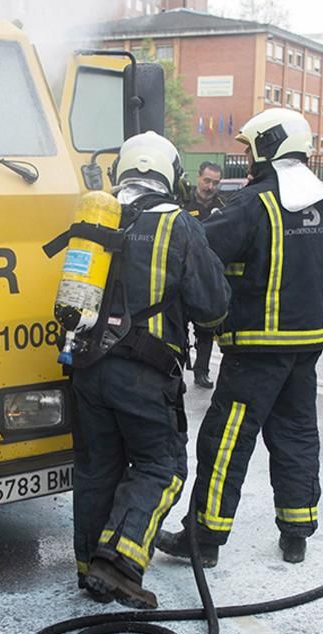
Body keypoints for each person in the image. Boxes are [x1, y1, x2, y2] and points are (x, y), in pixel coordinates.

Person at [156, 108, 323, 566]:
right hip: (306, 346)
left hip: (256, 350)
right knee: (297, 435)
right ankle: (296, 534)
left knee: (225, 442)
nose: (246, 156)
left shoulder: (253, 203)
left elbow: (195, 247)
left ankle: (204, 539)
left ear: (268, 145)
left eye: (249, 147)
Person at [69, 132, 230, 609]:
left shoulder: (96, 215)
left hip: (86, 366)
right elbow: (212, 306)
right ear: (172, 175)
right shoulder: (177, 224)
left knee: (99, 468)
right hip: (141, 372)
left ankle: (88, 569)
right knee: (163, 467)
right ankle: (118, 563)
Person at [184, 161, 228, 389]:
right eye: (207, 180)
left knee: (206, 326)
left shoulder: (223, 205)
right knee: (178, 322)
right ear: (198, 178)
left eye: (215, 183)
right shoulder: (182, 202)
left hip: (208, 273)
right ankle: (176, 369)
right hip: (183, 269)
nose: (210, 186)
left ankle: (201, 371)